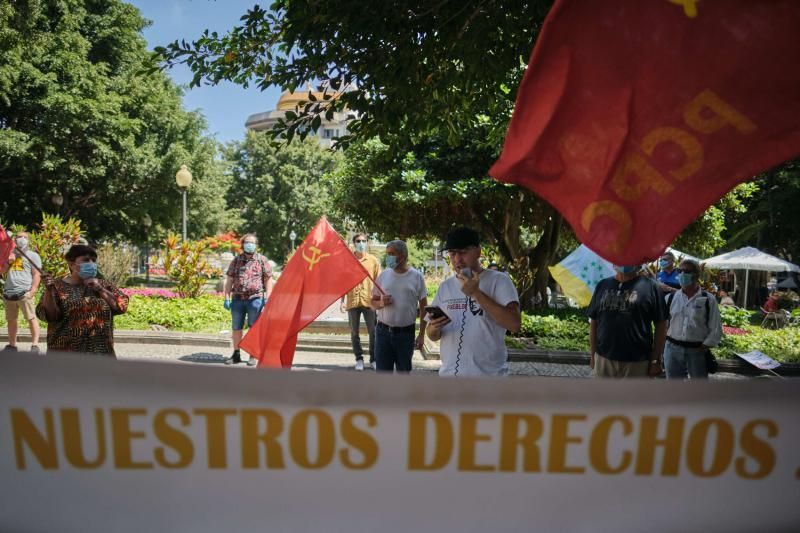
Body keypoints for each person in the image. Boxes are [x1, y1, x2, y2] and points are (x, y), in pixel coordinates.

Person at [426, 227, 521, 377]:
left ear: (478, 251)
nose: (457, 259)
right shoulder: (445, 287)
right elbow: (432, 335)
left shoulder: (499, 281)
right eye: (452, 253)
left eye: (463, 252)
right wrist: (433, 327)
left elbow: (514, 324)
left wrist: (476, 293)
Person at [37, 244, 128, 356]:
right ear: (71, 264)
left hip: (100, 354)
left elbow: (121, 307)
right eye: (86, 260)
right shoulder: (56, 287)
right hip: (65, 356)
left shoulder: (104, 284)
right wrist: (49, 290)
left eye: (93, 260)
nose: (91, 263)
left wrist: (100, 289)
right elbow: (49, 316)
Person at [587, 264, 668, 378]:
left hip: (638, 362)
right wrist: (593, 355)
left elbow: (661, 325)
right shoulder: (603, 285)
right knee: (603, 395)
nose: (624, 263)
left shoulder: (651, 287)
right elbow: (594, 322)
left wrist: (655, 360)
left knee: (633, 396)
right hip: (604, 359)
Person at [370, 240, 427, 373]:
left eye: (391, 254)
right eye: (387, 254)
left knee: (403, 374)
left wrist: (422, 334)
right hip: (383, 333)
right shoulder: (383, 276)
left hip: (406, 335)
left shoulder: (417, 277)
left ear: (403, 255)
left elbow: (424, 307)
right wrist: (381, 303)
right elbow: (372, 303)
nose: (388, 257)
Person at [663, 259, 723, 380]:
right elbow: (664, 324)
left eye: (686, 271)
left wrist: (705, 346)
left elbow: (715, 326)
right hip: (672, 349)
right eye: (679, 271)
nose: (681, 274)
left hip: (697, 350)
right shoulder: (670, 298)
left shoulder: (708, 299)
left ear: (696, 274)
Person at [223, 234, 274, 366]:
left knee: (253, 328)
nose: (249, 245)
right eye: (247, 242)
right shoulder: (236, 260)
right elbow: (229, 280)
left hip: (255, 299)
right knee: (236, 327)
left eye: (252, 243)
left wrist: (268, 297)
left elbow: (268, 279)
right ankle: (236, 354)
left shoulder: (262, 260)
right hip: (238, 299)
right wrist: (226, 297)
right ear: (242, 244)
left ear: (256, 245)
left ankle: (253, 354)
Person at [340, 232, 381, 371]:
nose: (361, 243)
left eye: (363, 241)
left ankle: (374, 359)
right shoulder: (348, 260)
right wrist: (342, 301)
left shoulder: (373, 260)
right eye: (358, 241)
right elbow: (343, 282)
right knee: (354, 332)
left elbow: (379, 281)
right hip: (352, 301)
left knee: (373, 332)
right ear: (354, 242)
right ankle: (359, 359)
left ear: (367, 242)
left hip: (369, 301)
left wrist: (379, 300)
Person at [2, 231, 42, 352]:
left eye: (25, 237)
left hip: (24, 292)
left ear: (28, 240)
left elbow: (37, 274)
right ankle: (12, 345)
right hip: (9, 292)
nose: (22, 239)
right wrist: (8, 261)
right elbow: (2, 271)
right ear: (15, 239)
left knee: (31, 318)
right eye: (20, 237)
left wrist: (32, 291)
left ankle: (35, 345)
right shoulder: (9, 254)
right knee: (11, 320)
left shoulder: (33, 255)